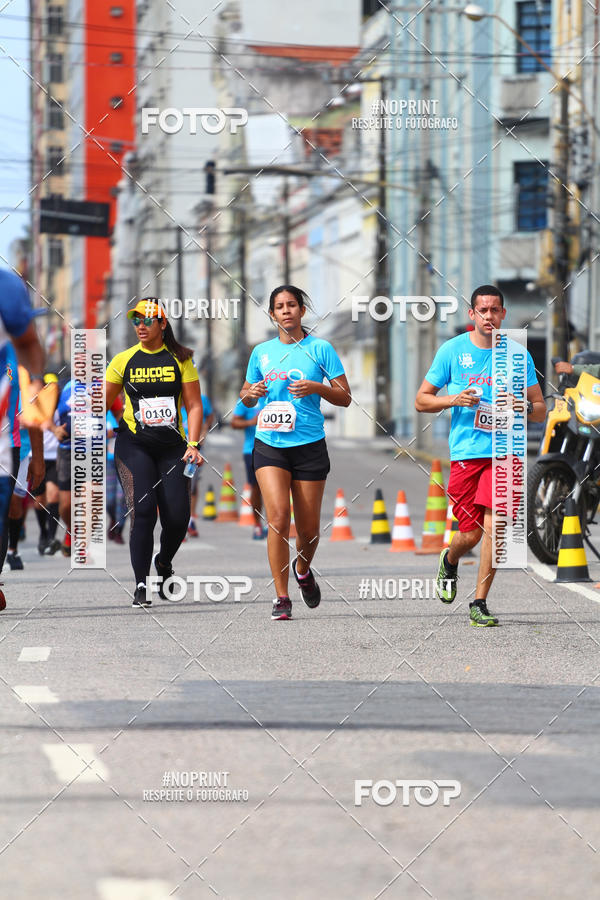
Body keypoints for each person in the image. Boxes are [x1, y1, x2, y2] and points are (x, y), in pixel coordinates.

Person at [415, 285, 545, 626]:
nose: (489, 316)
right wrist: (454, 400)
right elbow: (422, 400)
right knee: (470, 534)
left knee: (496, 527)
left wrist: (524, 406)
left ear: (504, 314)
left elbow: (541, 410)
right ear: (471, 315)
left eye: (495, 310)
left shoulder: (518, 355)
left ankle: (479, 603)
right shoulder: (452, 351)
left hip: (506, 453)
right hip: (466, 453)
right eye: (482, 310)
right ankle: (451, 558)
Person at [239, 284, 351, 620]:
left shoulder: (321, 349)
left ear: (302, 311)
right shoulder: (261, 352)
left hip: (309, 445)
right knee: (277, 519)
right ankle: (281, 596)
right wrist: (252, 392)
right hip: (270, 443)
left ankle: (303, 568)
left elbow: (344, 396)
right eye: (279, 306)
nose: (286, 311)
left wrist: (317, 387)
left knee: (309, 530)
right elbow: (245, 395)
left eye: (292, 305)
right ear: (272, 314)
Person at [104, 298, 204, 607]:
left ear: (163, 323)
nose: (141, 326)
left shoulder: (180, 359)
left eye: (148, 320)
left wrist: (194, 443)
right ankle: (141, 585)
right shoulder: (123, 360)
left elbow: (194, 405)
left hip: (173, 447)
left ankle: (164, 562)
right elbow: (100, 404)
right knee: (143, 511)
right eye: (136, 320)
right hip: (134, 445)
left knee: (177, 518)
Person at [0, 269, 46, 607]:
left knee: (6, 511)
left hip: (5, 437)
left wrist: (40, 454)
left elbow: (30, 346)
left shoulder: (6, 287)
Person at [231, 394, 268, 539]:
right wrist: (252, 422)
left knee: (275, 488)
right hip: (252, 449)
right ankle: (257, 524)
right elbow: (234, 423)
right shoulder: (249, 397)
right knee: (256, 488)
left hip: (278, 447)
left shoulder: (281, 391)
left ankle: (273, 524)